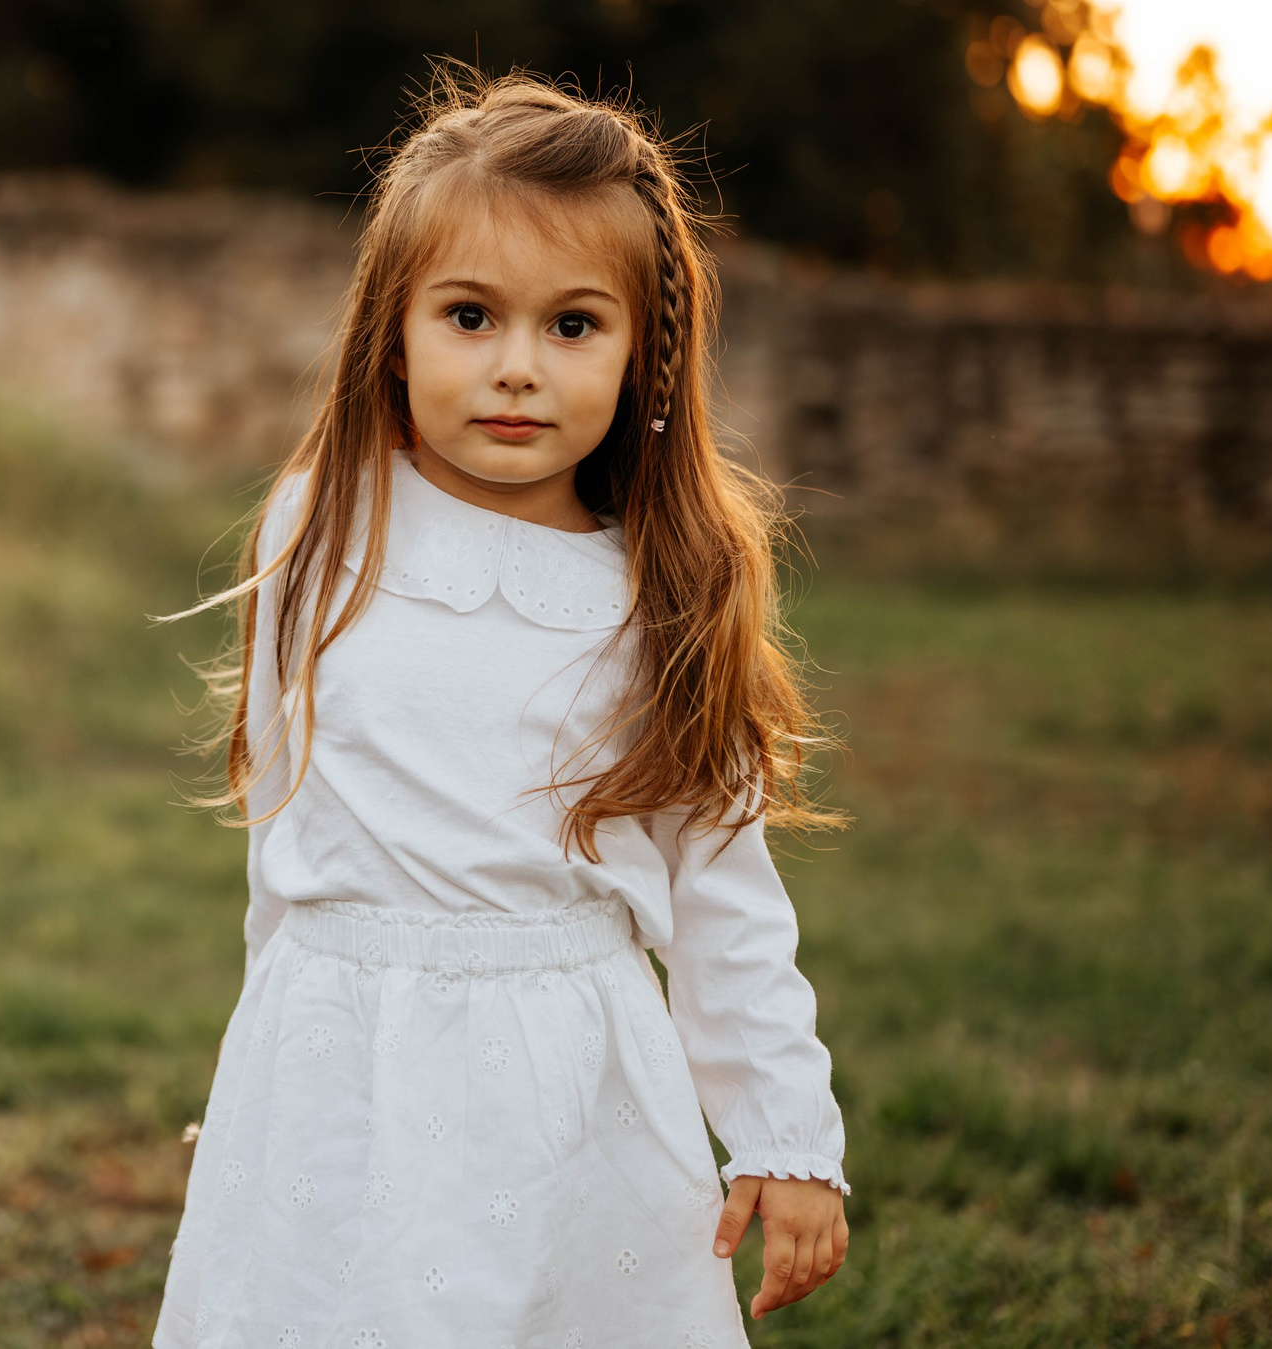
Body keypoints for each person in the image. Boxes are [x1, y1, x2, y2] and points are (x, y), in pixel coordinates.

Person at [156, 72, 849, 1349]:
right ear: (395, 328)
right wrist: (261, 1060)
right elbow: (289, 821)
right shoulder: (321, 524)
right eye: (470, 315)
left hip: (568, 1079)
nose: (517, 368)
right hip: (336, 1056)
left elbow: (722, 894)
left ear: (647, 351)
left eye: (573, 324)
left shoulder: (670, 584)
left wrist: (784, 1129)